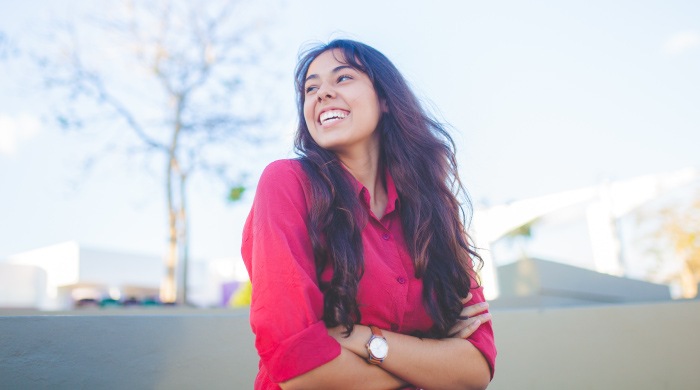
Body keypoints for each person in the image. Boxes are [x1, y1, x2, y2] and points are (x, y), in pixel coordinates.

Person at [241, 39, 496, 390]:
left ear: (386, 99)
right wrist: (428, 364)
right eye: (310, 88)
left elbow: (476, 369)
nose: (322, 94)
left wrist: (361, 340)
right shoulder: (287, 183)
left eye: (342, 78)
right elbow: (300, 368)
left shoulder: (436, 210)